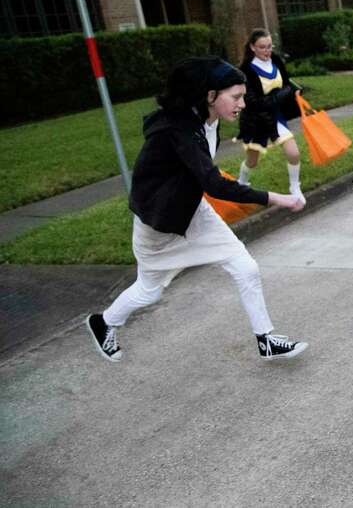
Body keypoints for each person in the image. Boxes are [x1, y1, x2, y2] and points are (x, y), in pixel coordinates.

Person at [84, 57, 308, 363]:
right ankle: (104, 321)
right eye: (236, 97)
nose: (242, 104)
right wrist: (278, 198)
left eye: (243, 96)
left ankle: (266, 339)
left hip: (192, 210)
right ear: (211, 95)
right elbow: (214, 184)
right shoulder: (181, 128)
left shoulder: (208, 119)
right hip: (160, 224)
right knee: (150, 291)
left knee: (245, 267)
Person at [237, 29, 306, 203]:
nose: (267, 51)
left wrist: (294, 90)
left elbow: (286, 81)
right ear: (252, 47)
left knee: (294, 153)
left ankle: (294, 187)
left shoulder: (275, 60)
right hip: (255, 121)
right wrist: (282, 95)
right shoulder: (245, 70)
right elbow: (253, 102)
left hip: (275, 117)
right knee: (252, 161)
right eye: (262, 47)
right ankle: (241, 184)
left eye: (269, 46)